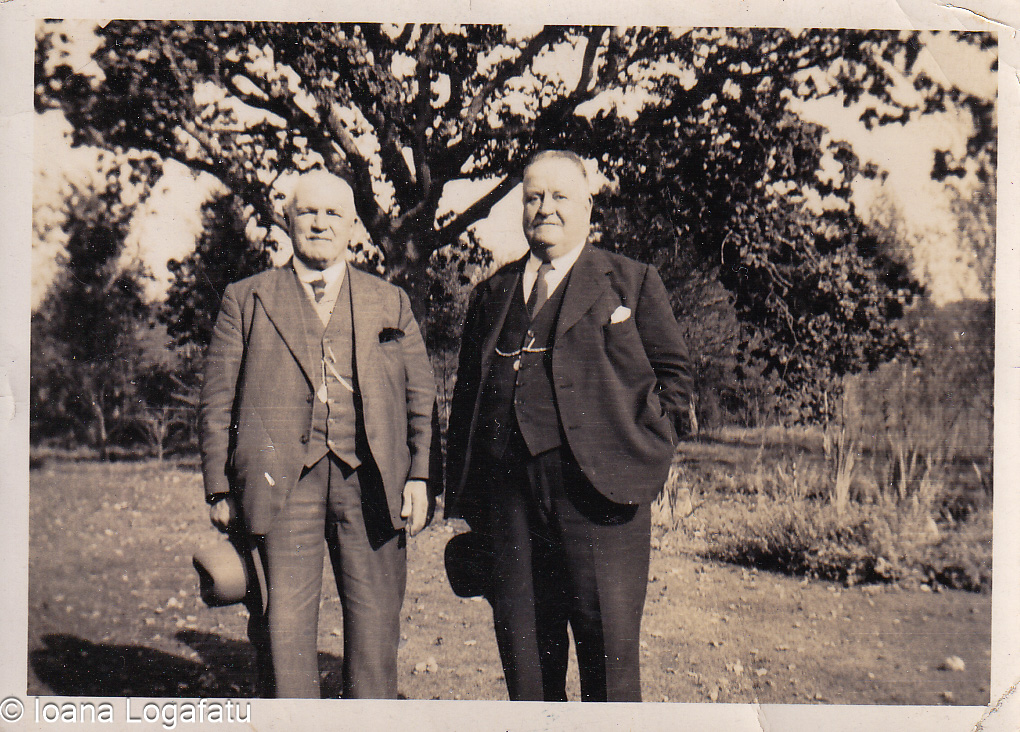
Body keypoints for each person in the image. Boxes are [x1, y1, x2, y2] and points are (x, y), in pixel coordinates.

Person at [444, 150, 692, 702]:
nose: (545, 209)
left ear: (587, 204)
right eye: (533, 197)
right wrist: (464, 497)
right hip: (508, 500)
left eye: (559, 197)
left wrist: (647, 445)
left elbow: (674, 376)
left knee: (607, 657)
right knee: (526, 656)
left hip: (599, 496)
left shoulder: (631, 280)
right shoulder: (493, 292)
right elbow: (466, 396)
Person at [199, 169, 436, 699]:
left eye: (334, 214)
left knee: (376, 631)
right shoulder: (247, 299)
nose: (320, 223)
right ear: (287, 218)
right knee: (282, 628)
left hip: (371, 483)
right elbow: (217, 401)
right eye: (308, 212)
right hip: (281, 484)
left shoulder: (389, 301)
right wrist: (218, 488)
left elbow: (421, 397)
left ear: (353, 224)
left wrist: (420, 475)